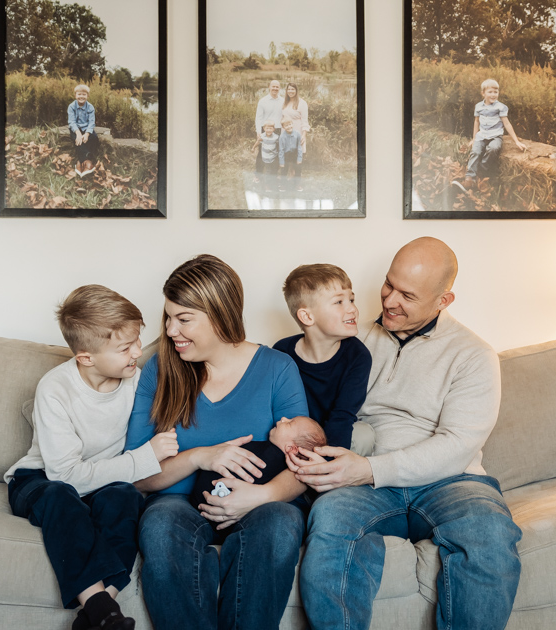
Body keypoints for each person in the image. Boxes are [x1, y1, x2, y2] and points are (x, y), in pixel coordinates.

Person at [292, 237, 523, 630]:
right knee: (329, 520)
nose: (389, 301)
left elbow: (458, 445)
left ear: (443, 301)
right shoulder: (352, 341)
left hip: (450, 482)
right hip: (365, 486)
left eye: (407, 295)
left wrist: (368, 469)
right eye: (388, 285)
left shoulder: (473, 355)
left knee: (489, 532)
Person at [125, 254, 310, 630]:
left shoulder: (277, 369)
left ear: (220, 313)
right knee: (159, 526)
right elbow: (136, 476)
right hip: (177, 505)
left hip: (259, 505)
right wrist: (200, 457)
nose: (170, 329)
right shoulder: (159, 369)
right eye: (168, 317)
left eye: (184, 318)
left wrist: (261, 496)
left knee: (280, 522)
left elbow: (304, 466)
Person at [4, 285, 179, 630]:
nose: (137, 352)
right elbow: (64, 475)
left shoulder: (135, 382)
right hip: (41, 479)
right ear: (86, 357)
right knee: (60, 495)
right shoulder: (55, 388)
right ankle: (102, 609)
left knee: (125, 497)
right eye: (125, 347)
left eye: (138, 341)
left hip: (104, 483)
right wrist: (146, 457)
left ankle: (99, 615)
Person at [273, 264, 372, 451]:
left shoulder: (358, 356)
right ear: (307, 316)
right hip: (294, 436)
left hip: (334, 434)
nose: (352, 309)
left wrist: (325, 464)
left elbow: (342, 417)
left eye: (351, 299)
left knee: (363, 434)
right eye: (339, 302)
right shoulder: (282, 352)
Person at [189, 415, 326, 513]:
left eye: (289, 423)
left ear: (291, 448)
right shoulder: (273, 461)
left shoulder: (270, 455)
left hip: (208, 499)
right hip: (211, 501)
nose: (284, 418)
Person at [452, 78, 527, 192]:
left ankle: (482, 170)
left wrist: (516, 141)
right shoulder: (478, 106)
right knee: (476, 151)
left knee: (493, 148)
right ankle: (469, 179)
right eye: (490, 92)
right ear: (483, 93)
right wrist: (474, 138)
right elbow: (476, 122)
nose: (493, 95)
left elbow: (507, 123)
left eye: (495, 92)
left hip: (495, 136)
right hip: (481, 135)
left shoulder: (500, 107)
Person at [68, 84, 100, 177]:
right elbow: (72, 122)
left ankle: (81, 161)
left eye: (84, 94)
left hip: (86, 128)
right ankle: (87, 160)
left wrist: (86, 134)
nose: (81, 96)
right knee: (77, 141)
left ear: (87, 96)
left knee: (94, 138)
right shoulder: (71, 106)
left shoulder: (90, 107)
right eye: (79, 94)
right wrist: (78, 133)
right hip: (76, 129)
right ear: (75, 95)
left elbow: (91, 122)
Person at [254, 79, 284, 176]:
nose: (275, 88)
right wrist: (259, 132)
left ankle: (274, 174)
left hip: (278, 130)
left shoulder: (283, 101)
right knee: (261, 152)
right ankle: (258, 174)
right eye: (273, 86)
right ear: (269, 87)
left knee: (276, 152)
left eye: (277, 87)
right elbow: (258, 118)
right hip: (265, 130)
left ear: (279, 88)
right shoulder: (263, 101)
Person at [281, 82, 310, 162]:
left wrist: (304, 135)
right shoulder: (285, 102)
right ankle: (289, 172)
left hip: (297, 129)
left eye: (293, 89)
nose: (290, 91)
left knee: (296, 152)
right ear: (286, 91)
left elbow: (305, 121)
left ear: (296, 90)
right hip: (285, 130)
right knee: (287, 152)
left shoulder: (302, 103)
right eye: (289, 89)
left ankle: (294, 172)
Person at [251, 120, 280, 190]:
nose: (269, 130)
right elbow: (258, 142)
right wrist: (253, 147)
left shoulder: (276, 137)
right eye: (267, 128)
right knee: (268, 171)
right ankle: (267, 185)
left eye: (271, 128)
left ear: (274, 129)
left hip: (273, 157)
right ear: (264, 128)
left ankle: (273, 183)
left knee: (274, 170)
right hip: (266, 158)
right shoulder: (262, 136)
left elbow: (279, 144)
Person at [278, 117, 303, 192]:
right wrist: (281, 162)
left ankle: (297, 184)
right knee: (284, 170)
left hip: (295, 154)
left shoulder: (297, 133)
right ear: (283, 127)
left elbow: (299, 146)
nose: (289, 126)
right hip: (286, 155)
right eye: (286, 125)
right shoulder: (282, 136)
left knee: (298, 170)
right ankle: (283, 185)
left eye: (290, 124)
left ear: (292, 124)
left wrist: (299, 158)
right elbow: (281, 150)